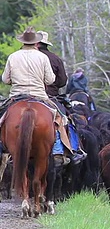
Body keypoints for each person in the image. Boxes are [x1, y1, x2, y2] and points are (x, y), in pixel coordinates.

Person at [0, 26, 83, 165]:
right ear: (36, 42)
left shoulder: (13, 56)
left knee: (2, 118)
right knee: (61, 119)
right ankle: (60, 150)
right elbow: (50, 80)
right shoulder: (42, 57)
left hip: (17, 95)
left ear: (23, 41)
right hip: (39, 95)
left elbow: (5, 79)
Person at [37, 30, 86, 164]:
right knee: (68, 119)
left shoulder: (23, 56)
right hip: (49, 95)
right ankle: (73, 150)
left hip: (24, 94)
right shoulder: (55, 58)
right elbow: (62, 81)